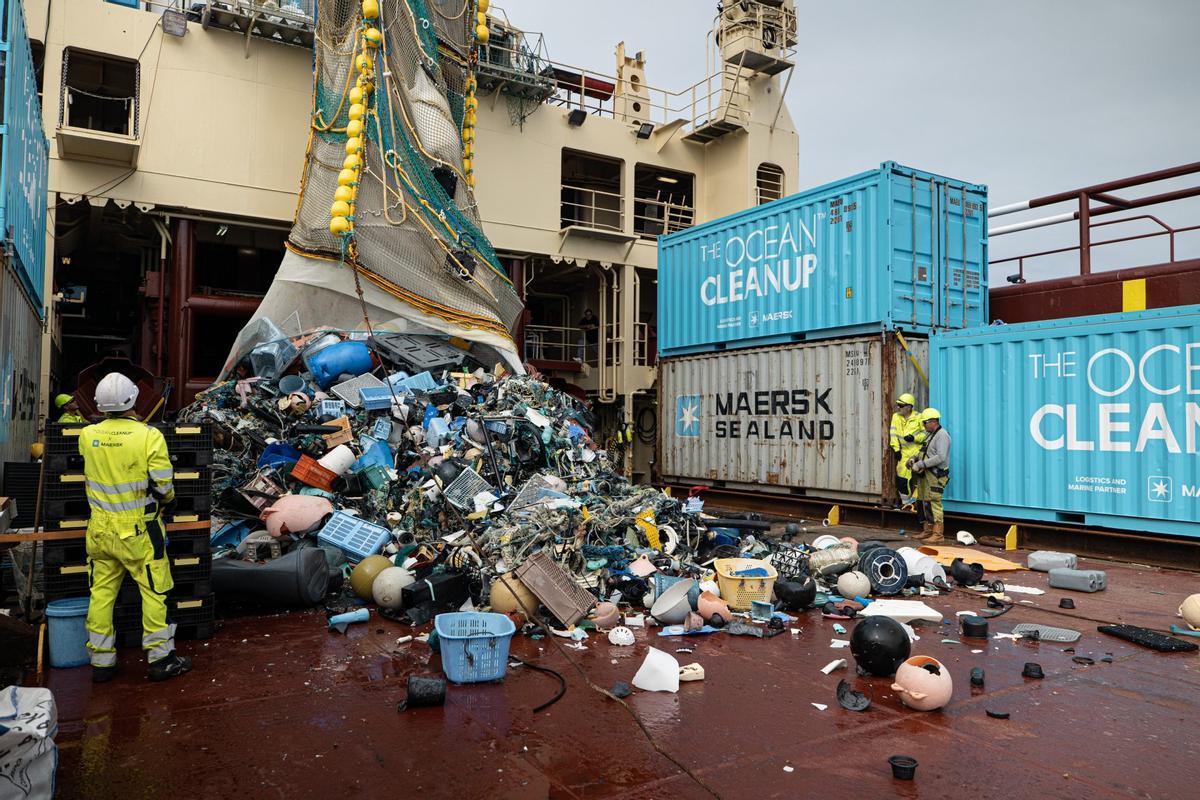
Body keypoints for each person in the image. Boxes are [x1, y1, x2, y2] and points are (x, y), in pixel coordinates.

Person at [81, 372, 192, 683]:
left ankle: (102, 663)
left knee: (101, 594)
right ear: (133, 398)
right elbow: (163, 485)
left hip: (100, 530)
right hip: (140, 532)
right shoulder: (148, 436)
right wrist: (167, 499)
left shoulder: (87, 436)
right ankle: (161, 660)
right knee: (155, 591)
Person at [908, 408, 951, 544]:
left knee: (934, 503)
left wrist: (921, 465)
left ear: (933, 422)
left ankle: (938, 534)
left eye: (924, 423)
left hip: (935, 475)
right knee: (923, 502)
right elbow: (925, 451)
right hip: (926, 475)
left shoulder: (942, 435)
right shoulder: (930, 434)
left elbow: (941, 457)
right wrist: (914, 459)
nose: (923, 426)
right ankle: (927, 530)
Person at [888, 392, 924, 508]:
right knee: (902, 479)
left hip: (917, 452)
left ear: (909, 407)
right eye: (898, 405)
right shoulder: (896, 417)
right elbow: (893, 433)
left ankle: (918, 503)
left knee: (919, 478)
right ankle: (906, 503)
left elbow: (926, 434)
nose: (898, 407)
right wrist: (896, 449)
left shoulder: (919, 417)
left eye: (901, 405)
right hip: (903, 453)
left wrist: (914, 438)